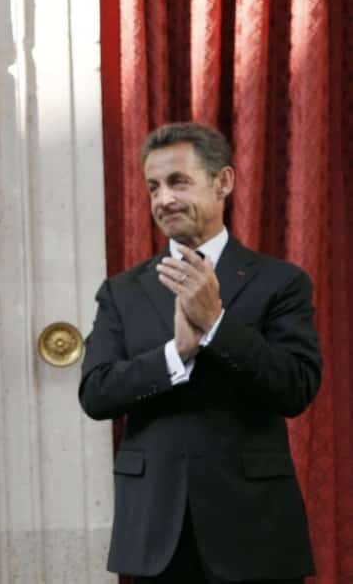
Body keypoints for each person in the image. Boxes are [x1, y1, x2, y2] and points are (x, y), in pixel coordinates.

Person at [78, 122, 321, 584]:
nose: (163, 199)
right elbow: (96, 393)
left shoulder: (281, 282)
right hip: (155, 533)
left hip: (255, 530)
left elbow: (296, 388)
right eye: (153, 186)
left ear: (223, 182)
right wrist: (176, 354)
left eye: (178, 181)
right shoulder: (122, 291)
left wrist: (217, 326)